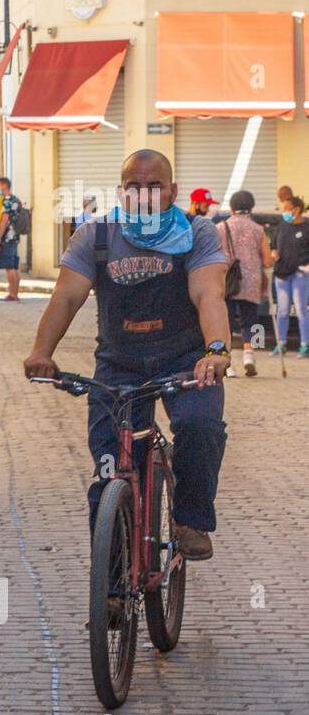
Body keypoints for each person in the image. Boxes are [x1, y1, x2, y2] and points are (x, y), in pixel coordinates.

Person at [24, 149, 230, 561]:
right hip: (118, 366)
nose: (144, 194)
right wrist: (41, 352)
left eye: (154, 186)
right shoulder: (96, 236)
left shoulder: (198, 233)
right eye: (135, 186)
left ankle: (190, 518)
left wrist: (217, 350)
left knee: (198, 424)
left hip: (186, 361)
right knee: (110, 471)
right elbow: (66, 296)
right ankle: (114, 588)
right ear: (122, 192)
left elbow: (208, 292)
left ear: (172, 190)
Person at [216, 189, 273, 376]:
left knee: (227, 321)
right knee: (250, 320)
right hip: (251, 282)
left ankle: (228, 363)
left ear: (232, 207)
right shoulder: (258, 230)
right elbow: (266, 261)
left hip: (227, 281)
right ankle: (249, 355)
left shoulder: (220, 227)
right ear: (251, 207)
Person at [271, 195, 309, 359]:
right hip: (282, 275)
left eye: (287, 209)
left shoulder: (307, 227)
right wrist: (273, 252)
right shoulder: (281, 227)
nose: (284, 212)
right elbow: (273, 245)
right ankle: (281, 344)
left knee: (301, 310)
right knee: (283, 311)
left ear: (296, 209)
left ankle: (304, 346)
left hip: (300, 274)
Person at [0, 177, 23, 301]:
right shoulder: (16, 199)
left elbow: (4, 220)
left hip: (7, 236)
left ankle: (12, 293)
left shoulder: (6, 201)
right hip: (15, 235)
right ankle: (15, 293)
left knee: (9, 266)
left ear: (4, 185)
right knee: (15, 265)